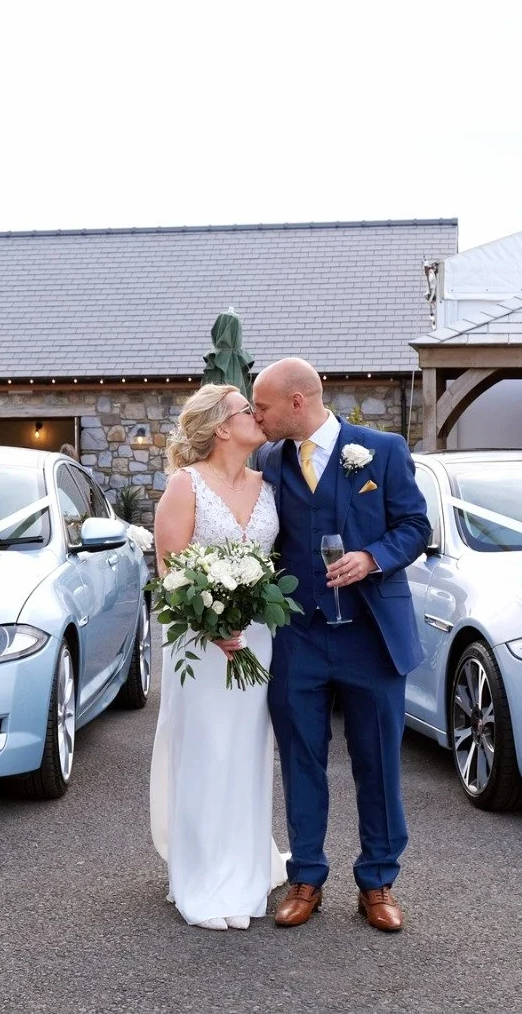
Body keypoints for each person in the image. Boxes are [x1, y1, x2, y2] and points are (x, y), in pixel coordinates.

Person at [251, 358, 431, 932]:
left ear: (298, 402)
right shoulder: (267, 461)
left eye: (264, 407)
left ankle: (378, 883)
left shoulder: (381, 450)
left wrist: (372, 557)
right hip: (297, 639)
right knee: (301, 760)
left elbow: (415, 526)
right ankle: (306, 876)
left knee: (376, 763)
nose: (258, 418)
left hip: (370, 637)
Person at [148, 384, 286, 931]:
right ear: (222, 428)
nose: (257, 415)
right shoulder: (185, 487)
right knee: (207, 749)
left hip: (257, 639)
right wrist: (213, 625)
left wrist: (243, 622)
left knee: (249, 750)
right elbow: (169, 571)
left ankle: (245, 865)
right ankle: (202, 875)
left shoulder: (270, 483)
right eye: (246, 410)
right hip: (200, 645)